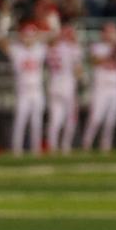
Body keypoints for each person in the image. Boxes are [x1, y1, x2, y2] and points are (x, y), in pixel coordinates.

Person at [81, 23, 116, 151]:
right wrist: (111, 53)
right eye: (109, 32)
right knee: (96, 118)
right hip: (101, 87)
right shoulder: (98, 47)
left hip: (115, 88)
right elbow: (94, 61)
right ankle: (86, 143)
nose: (111, 35)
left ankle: (106, 145)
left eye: (113, 32)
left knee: (111, 120)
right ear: (103, 34)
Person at [0, 24, 47, 155]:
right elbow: (1, 42)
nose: (28, 39)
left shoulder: (40, 49)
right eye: (26, 36)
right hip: (23, 91)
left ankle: (36, 149)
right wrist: (6, 26)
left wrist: (39, 36)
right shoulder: (17, 49)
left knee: (36, 122)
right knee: (20, 121)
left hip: (37, 90)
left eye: (31, 36)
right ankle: (16, 149)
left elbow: (54, 37)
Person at [46, 25, 82, 153]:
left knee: (55, 120)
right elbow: (78, 71)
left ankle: (52, 146)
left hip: (54, 85)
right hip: (68, 86)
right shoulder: (71, 49)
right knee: (71, 119)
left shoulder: (52, 48)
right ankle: (65, 146)